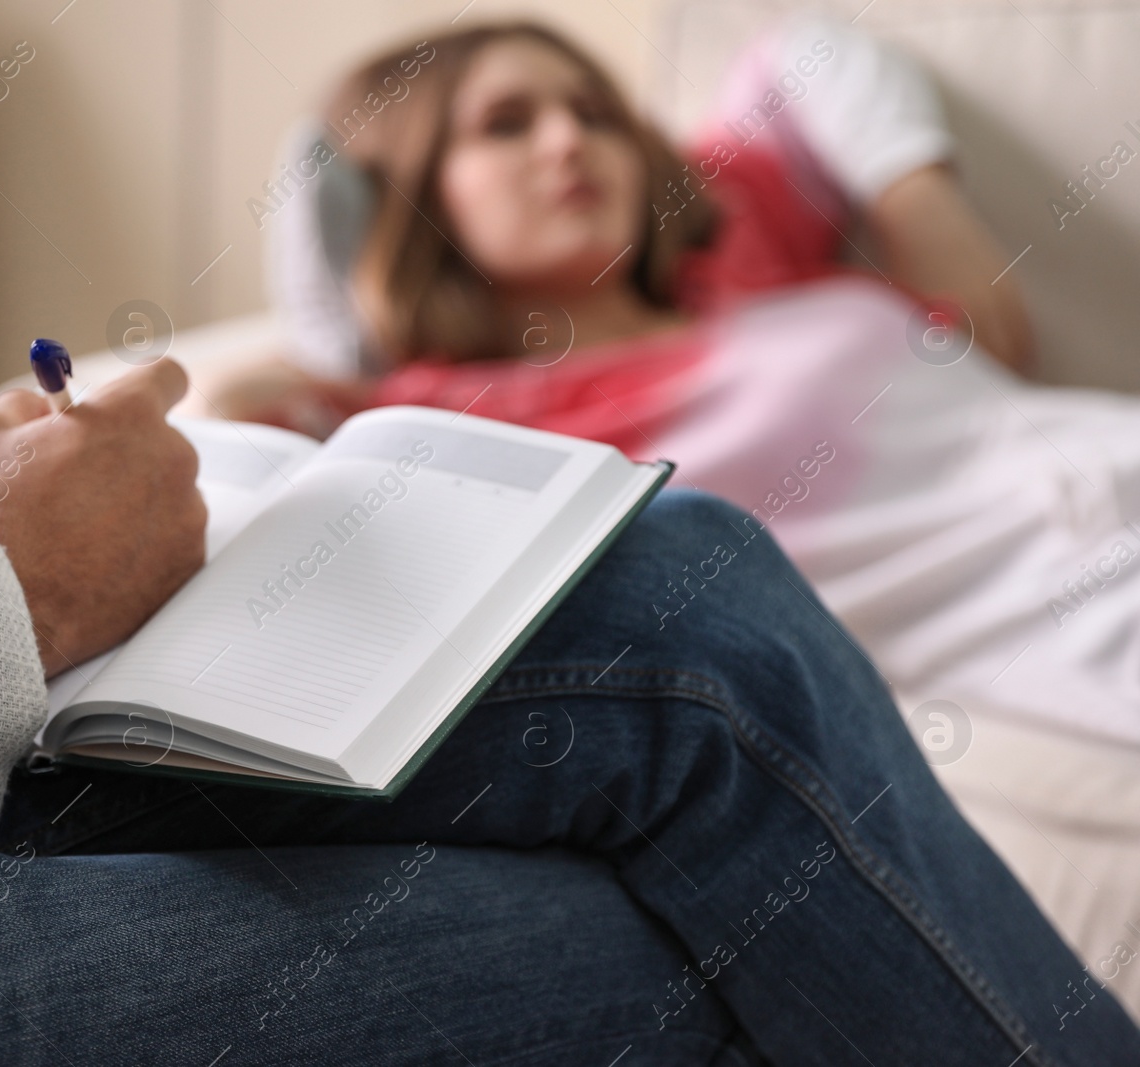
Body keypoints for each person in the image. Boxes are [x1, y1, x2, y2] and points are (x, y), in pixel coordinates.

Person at [0, 272, 1138, 1065]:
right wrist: (3, 586)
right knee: (681, 929)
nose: (563, 146)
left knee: (681, 583)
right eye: (502, 122)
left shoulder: (792, 280)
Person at [202, 15, 1140, 751]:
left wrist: (912, 190)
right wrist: (347, 307)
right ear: (408, 193)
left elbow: (808, 54)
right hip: (1053, 612)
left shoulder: (733, 254)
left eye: (595, 113)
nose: (569, 141)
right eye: (506, 124)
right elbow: (245, 438)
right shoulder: (456, 419)